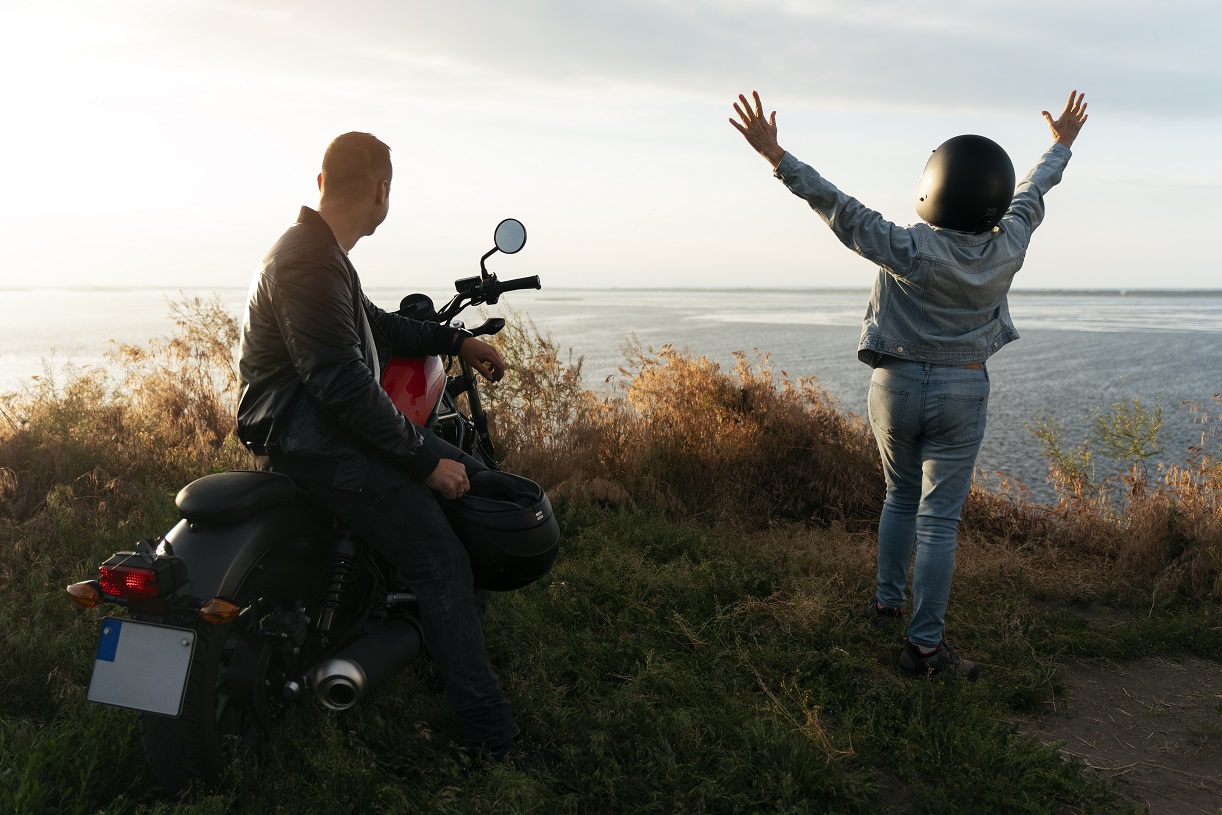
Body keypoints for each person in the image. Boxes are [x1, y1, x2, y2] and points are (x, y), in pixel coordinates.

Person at [730, 90, 1089, 679]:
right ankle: (924, 648)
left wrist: (776, 155)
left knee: (899, 495)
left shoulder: (908, 246)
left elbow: (838, 207)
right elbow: (1032, 192)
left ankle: (886, 603)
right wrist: (1062, 145)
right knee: (939, 519)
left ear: (935, 185)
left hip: (894, 387)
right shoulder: (1010, 244)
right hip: (963, 390)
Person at [236, 131, 522, 752]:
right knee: (440, 560)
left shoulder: (321, 251)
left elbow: (378, 325)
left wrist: (456, 341)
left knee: (480, 481)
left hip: (322, 434)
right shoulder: (309, 260)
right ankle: (490, 734)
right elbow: (339, 384)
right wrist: (423, 461)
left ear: (320, 182)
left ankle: (437, 643)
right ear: (381, 189)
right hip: (318, 444)